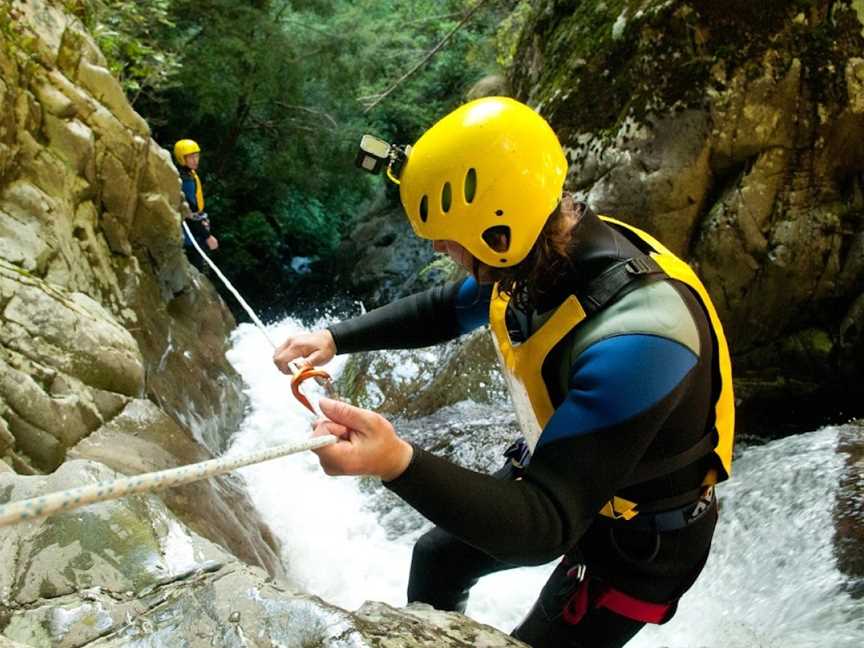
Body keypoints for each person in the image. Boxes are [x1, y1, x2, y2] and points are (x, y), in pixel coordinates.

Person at [272, 97, 735, 648]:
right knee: (437, 557)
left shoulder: (639, 340)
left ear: (499, 231)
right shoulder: (538, 253)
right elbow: (445, 308)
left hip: (640, 547)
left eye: (448, 237)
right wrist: (334, 338)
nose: (442, 248)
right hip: (579, 485)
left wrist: (395, 462)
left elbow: (545, 523)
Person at [174, 138, 218, 269]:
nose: (195, 160)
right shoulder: (185, 181)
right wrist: (207, 236)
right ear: (182, 159)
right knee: (198, 267)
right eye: (191, 157)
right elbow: (190, 213)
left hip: (194, 230)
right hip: (190, 237)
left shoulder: (188, 174)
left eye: (197, 156)